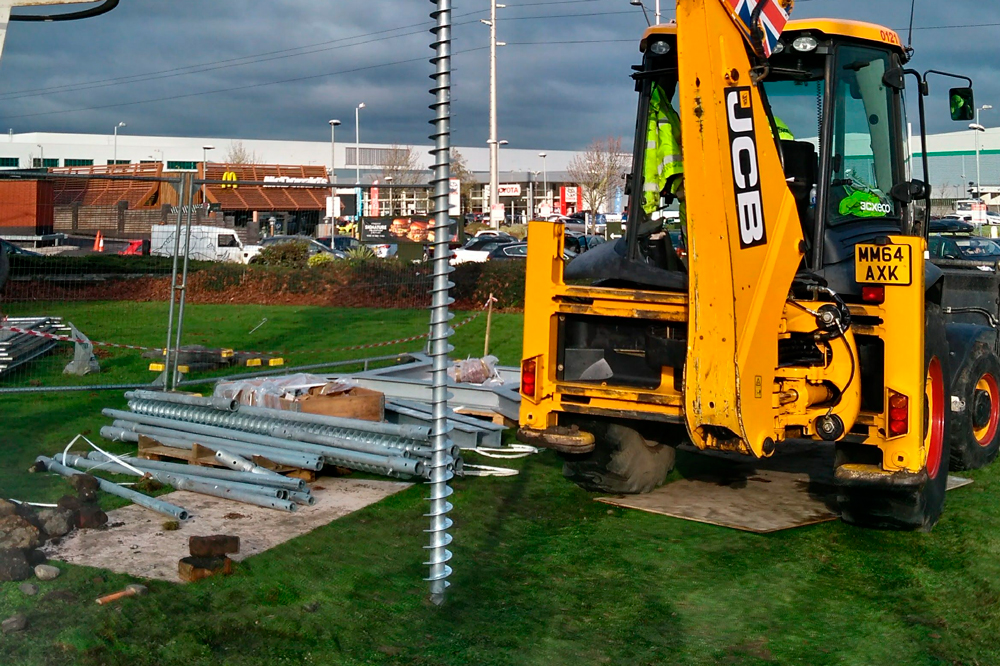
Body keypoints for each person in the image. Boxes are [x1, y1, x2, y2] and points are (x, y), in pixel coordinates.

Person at [643, 82, 684, 216]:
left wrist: (648, 203)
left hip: (672, 177)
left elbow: (649, 162)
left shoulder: (655, 111)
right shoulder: (665, 111)